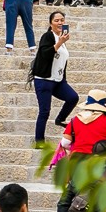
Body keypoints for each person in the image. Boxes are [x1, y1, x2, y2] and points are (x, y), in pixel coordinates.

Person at [30, 11, 77, 143]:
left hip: (57, 80)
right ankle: (39, 141)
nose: (60, 23)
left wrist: (64, 80)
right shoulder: (48, 36)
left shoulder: (62, 39)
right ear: (51, 23)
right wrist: (59, 43)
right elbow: (44, 54)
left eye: (62, 20)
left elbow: (63, 62)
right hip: (44, 80)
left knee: (73, 97)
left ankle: (60, 119)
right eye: (56, 20)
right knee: (44, 111)